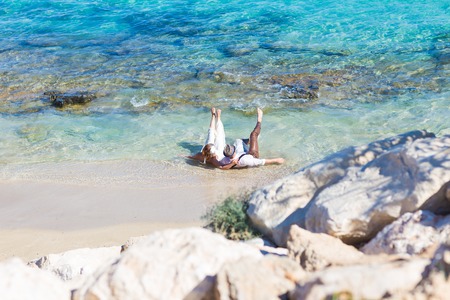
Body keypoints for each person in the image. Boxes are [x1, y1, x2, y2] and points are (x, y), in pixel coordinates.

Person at [219, 108, 284, 170]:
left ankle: (251, 141)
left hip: (243, 153)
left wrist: (231, 164)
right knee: (253, 134)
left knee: (238, 140)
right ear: (234, 151)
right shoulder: (244, 161)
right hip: (252, 155)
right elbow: (261, 161)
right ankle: (259, 119)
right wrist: (276, 160)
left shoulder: (225, 159)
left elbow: (221, 168)